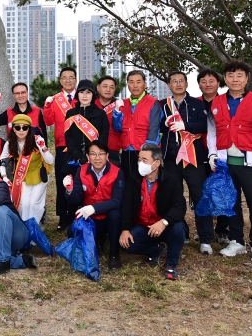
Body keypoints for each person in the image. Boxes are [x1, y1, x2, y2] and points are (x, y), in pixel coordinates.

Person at [207, 60, 252, 263]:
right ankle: (237, 240)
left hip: (250, 162)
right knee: (231, 203)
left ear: (246, 78)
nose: (235, 79)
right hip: (225, 161)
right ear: (225, 79)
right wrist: (212, 154)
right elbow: (213, 131)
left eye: (239, 75)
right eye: (230, 75)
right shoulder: (217, 102)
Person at [158, 71, 213, 254]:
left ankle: (205, 238)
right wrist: (163, 124)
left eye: (181, 81)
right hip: (171, 159)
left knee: (199, 197)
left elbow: (205, 125)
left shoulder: (197, 104)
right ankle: (181, 233)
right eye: (174, 81)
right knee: (174, 198)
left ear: (187, 84)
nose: (178, 84)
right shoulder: (163, 106)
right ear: (169, 85)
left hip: (193, 159)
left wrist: (186, 126)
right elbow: (155, 126)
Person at [119, 143, 188, 280]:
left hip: (164, 226)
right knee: (126, 244)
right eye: (139, 159)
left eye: (144, 160)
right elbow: (126, 205)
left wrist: (164, 222)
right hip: (143, 226)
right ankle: (156, 250)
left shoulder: (171, 180)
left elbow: (180, 206)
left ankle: (171, 265)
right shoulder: (133, 179)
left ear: (156, 163)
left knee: (178, 228)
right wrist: (125, 229)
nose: (140, 163)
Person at [63, 140, 126, 270]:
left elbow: (117, 201)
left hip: (108, 217)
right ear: (87, 157)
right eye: (93, 154)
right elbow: (76, 199)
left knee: (116, 215)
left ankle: (114, 254)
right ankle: (98, 240)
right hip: (90, 218)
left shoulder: (117, 172)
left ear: (107, 155)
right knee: (71, 232)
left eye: (101, 154)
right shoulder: (81, 171)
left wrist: (93, 208)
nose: (97, 158)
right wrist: (69, 190)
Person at [42, 66, 79, 229]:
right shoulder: (55, 99)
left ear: (75, 80)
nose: (68, 80)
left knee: (79, 180)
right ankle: (63, 217)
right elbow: (48, 122)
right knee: (62, 181)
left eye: (71, 77)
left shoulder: (83, 96)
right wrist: (48, 106)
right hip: (62, 146)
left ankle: (77, 214)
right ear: (60, 81)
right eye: (65, 77)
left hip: (80, 147)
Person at [0, 114, 53, 222]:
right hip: (23, 175)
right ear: (13, 129)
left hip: (39, 174)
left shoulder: (37, 140)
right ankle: (25, 228)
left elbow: (50, 160)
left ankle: (34, 227)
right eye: (18, 127)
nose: (21, 130)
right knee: (23, 204)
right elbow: (2, 162)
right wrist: (5, 178)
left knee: (34, 203)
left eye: (25, 127)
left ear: (29, 128)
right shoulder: (10, 143)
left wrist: (43, 147)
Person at [111, 70, 163, 180]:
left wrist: (148, 154)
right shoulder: (123, 103)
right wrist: (117, 113)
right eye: (131, 82)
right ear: (127, 85)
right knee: (129, 182)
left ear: (144, 84)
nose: (135, 85)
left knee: (145, 182)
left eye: (138, 82)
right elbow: (117, 128)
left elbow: (154, 129)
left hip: (144, 150)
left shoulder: (153, 103)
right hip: (126, 151)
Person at [197, 68, 229, 245]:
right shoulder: (194, 103)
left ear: (219, 83)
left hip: (223, 153)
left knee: (222, 190)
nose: (208, 84)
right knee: (204, 192)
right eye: (203, 81)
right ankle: (205, 231)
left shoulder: (225, 101)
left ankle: (222, 228)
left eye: (211, 80)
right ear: (199, 84)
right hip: (199, 154)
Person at [64, 79, 111, 168]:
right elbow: (68, 137)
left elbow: (103, 137)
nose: (85, 96)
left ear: (93, 95)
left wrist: (92, 155)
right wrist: (79, 156)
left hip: (95, 159)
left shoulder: (100, 114)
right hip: (74, 159)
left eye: (88, 92)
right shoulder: (70, 113)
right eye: (81, 92)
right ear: (77, 94)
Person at [95, 76, 123, 165]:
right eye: (105, 86)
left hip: (113, 149)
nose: (108, 89)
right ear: (98, 88)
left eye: (112, 87)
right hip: (92, 149)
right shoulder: (90, 104)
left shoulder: (120, 105)